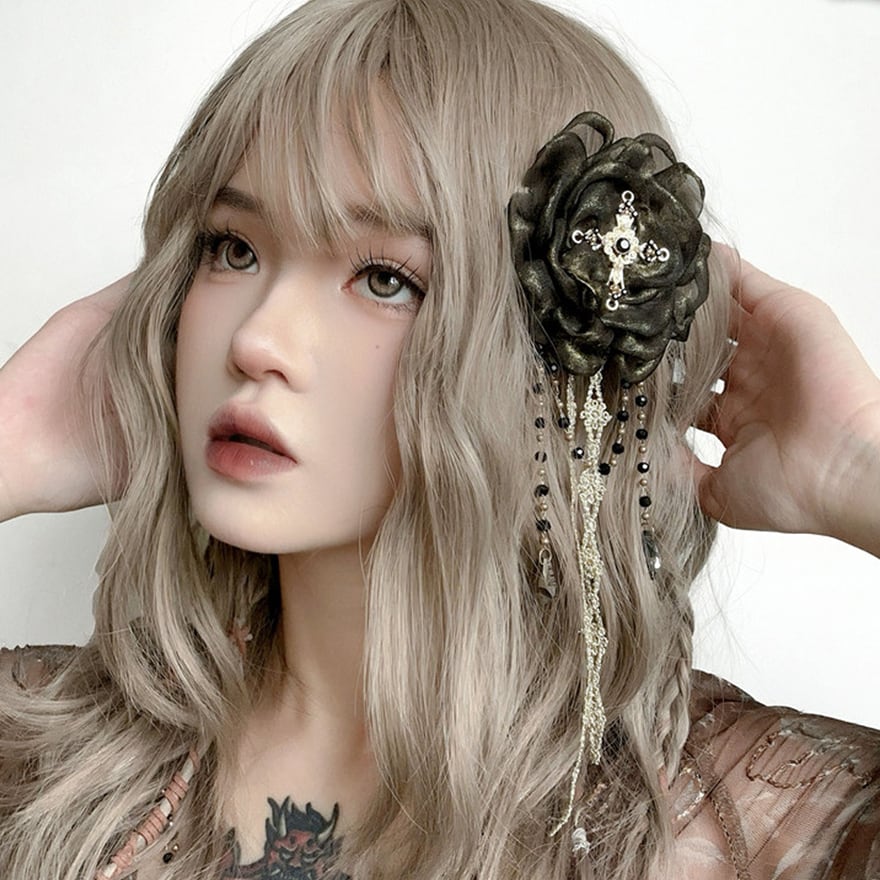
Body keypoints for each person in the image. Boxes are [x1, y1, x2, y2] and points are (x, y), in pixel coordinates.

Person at [1, 1, 878, 879]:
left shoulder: (757, 821)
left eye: (384, 278)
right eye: (233, 248)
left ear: (551, 357)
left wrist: (859, 465)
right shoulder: (42, 755)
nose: (256, 340)